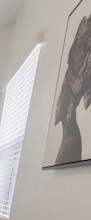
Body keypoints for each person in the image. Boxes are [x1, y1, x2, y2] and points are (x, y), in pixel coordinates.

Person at [54, 13, 91, 165]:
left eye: (62, 93)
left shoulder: (71, 141)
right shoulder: (69, 137)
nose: (56, 103)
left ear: (70, 104)